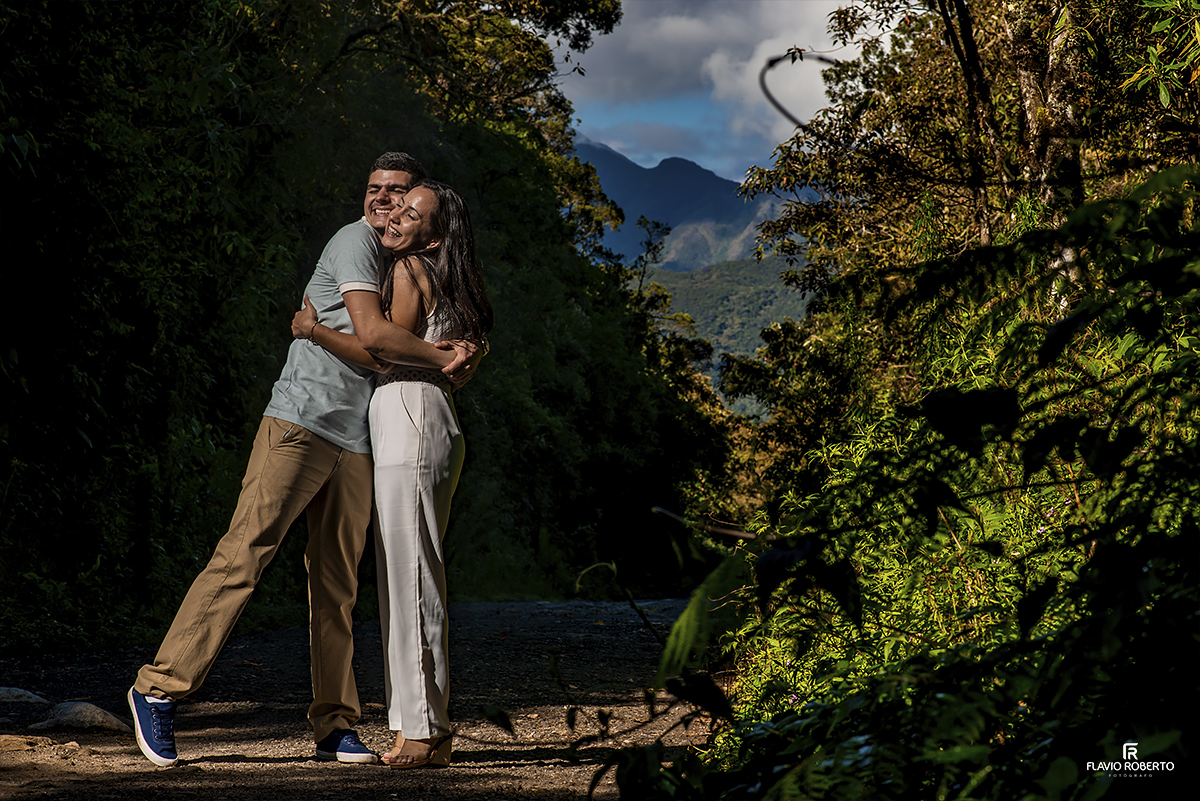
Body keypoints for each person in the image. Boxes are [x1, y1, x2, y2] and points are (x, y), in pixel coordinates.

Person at [127, 153, 478, 768]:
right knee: (245, 553)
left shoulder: (402, 263)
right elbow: (374, 345)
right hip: (301, 422)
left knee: (336, 587)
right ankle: (157, 688)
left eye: (398, 194)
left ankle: (334, 723)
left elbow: (397, 343)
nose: (384, 203)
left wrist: (448, 350)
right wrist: (438, 355)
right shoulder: (353, 242)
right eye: (375, 190)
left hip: (359, 439)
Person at [290, 179, 492, 769]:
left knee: (409, 576)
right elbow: (459, 357)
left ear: (436, 230)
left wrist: (313, 330)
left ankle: (425, 732)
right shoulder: (455, 280)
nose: (398, 216)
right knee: (409, 571)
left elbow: (378, 347)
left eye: (414, 212)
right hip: (429, 414)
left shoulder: (408, 271)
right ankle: (418, 729)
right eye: (398, 207)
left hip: (408, 407)